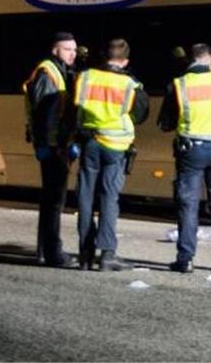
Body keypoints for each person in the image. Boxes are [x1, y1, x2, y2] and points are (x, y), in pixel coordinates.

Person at [72, 38, 149, 271]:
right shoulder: (130, 84)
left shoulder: (85, 77)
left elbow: (74, 108)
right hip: (116, 147)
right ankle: (107, 254)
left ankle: (85, 253)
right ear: (124, 61)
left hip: (89, 142)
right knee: (109, 198)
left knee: (85, 197)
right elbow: (140, 114)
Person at [158, 43, 211, 273]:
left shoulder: (179, 84)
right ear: (209, 59)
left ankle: (186, 259)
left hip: (191, 150)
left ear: (190, 60)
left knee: (188, 204)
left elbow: (166, 123)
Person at [23, 32, 79, 268]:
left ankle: (45, 251)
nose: (73, 54)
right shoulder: (48, 72)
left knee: (52, 200)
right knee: (53, 201)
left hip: (57, 144)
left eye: (74, 49)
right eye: (68, 49)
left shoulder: (59, 71)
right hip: (54, 146)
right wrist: (46, 144)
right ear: (55, 50)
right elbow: (44, 113)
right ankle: (52, 253)